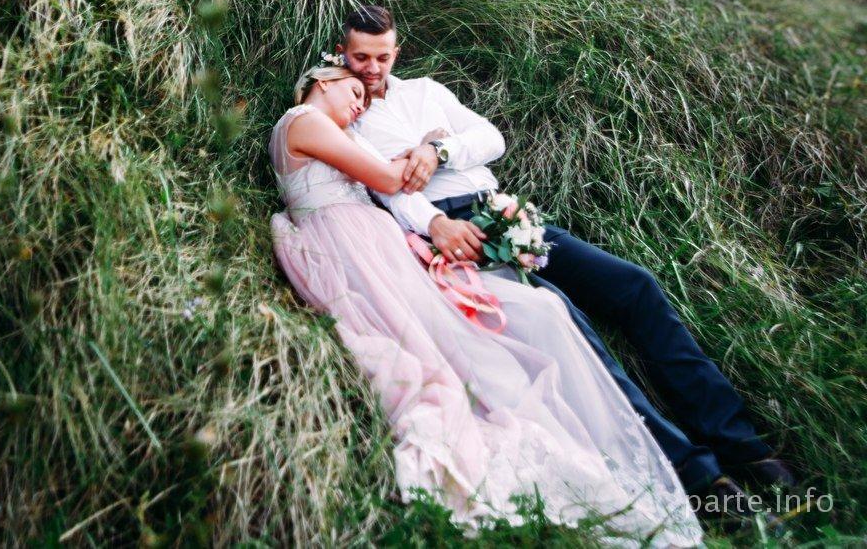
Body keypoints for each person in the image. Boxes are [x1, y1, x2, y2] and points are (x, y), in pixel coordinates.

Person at [336, 3, 798, 527]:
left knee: (634, 286)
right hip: (452, 232)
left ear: (397, 51)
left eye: (382, 57)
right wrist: (434, 223)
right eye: (361, 57)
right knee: (571, 329)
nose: (372, 69)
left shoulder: (426, 91)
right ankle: (699, 478)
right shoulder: (344, 112)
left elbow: (491, 139)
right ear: (342, 52)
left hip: (505, 210)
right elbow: (380, 187)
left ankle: (743, 446)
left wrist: (438, 150)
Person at [268, 63, 703, 545]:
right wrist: (429, 146)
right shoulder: (305, 120)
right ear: (324, 81)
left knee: (509, 321)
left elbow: (454, 150)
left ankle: (667, 457)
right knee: (464, 341)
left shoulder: (346, 122)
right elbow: (388, 179)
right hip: (355, 246)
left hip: (376, 241)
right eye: (353, 92)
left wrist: (434, 151)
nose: (358, 105)